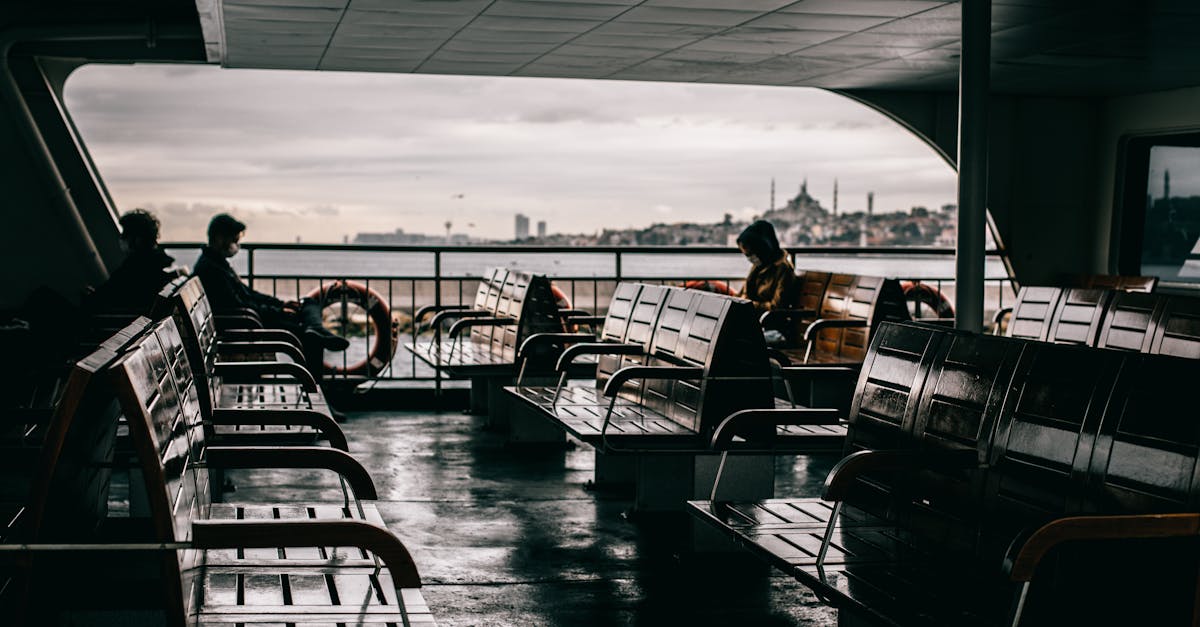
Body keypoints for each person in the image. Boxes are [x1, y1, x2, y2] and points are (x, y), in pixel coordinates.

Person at [193, 213, 349, 352]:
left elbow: (249, 295)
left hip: (253, 317)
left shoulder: (217, 264)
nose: (236, 244)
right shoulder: (211, 270)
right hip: (249, 323)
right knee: (305, 335)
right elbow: (240, 305)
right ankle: (316, 378)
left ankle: (317, 330)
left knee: (309, 303)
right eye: (234, 239)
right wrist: (279, 311)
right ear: (220, 238)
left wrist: (281, 304)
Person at [85, 209, 178, 314]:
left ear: (136, 239)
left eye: (124, 234)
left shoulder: (134, 269)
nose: (121, 239)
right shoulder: (160, 264)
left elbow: (104, 297)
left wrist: (90, 297)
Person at [737, 220, 796, 313]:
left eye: (751, 254)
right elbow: (743, 294)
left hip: (767, 321)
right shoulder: (758, 267)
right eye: (747, 255)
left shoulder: (783, 270)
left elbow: (777, 307)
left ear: (762, 249)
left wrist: (749, 305)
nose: (750, 258)